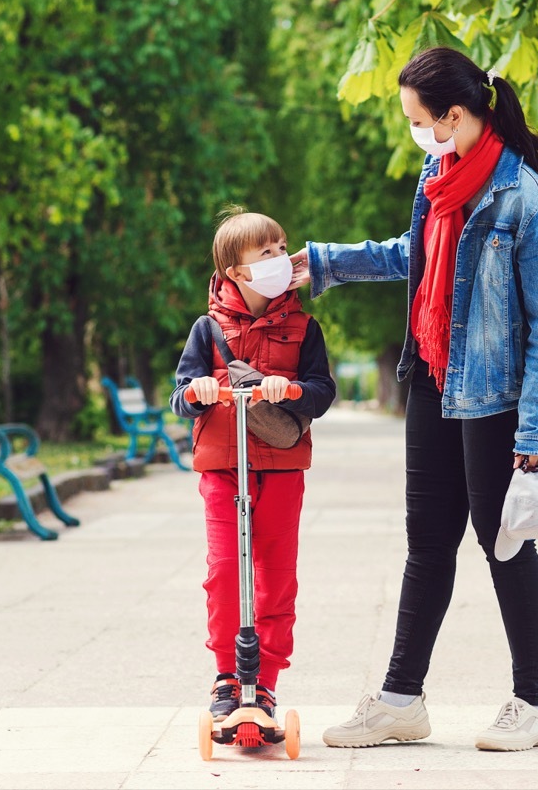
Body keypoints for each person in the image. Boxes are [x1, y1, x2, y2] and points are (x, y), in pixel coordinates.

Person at [288, 46, 538, 751]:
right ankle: (400, 701)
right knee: (427, 544)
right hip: (434, 375)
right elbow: (410, 253)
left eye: (420, 119)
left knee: (503, 543)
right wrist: (321, 262)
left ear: (456, 114)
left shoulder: (525, 196)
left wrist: (535, 434)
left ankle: (533, 704)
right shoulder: (437, 174)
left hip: (495, 395)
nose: (415, 131)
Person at [170, 207, 336, 723]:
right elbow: (180, 397)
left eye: (282, 248)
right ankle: (227, 675)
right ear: (236, 272)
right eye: (266, 252)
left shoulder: (304, 328)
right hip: (224, 469)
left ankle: (264, 683)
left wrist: (292, 389)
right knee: (225, 572)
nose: (281, 258)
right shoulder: (207, 330)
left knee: (276, 578)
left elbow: (322, 391)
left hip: (281, 469)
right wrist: (197, 391)